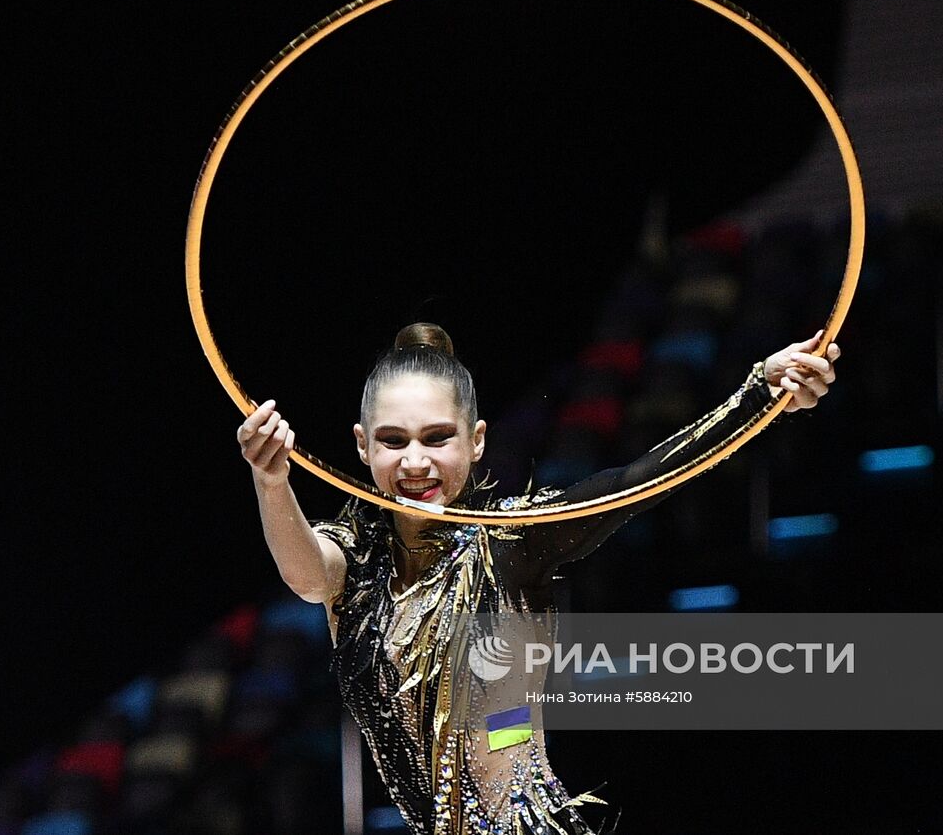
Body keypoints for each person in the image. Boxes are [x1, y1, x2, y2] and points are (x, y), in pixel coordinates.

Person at [237, 323, 839, 834]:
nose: (415, 462)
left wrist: (761, 394)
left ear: (475, 443)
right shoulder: (357, 566)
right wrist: (271, 481)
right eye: (394, 442)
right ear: (363, 448)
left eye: (437, 437)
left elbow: (641, 480)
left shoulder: (513, 542)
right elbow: (307, 574)